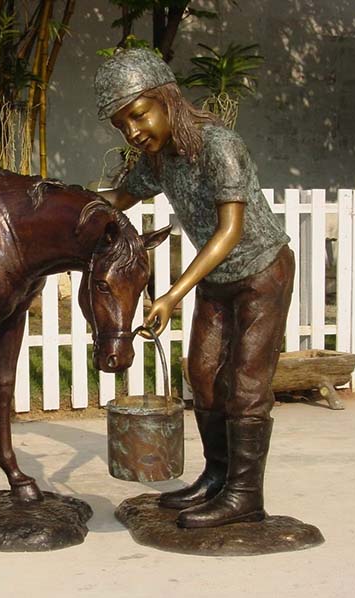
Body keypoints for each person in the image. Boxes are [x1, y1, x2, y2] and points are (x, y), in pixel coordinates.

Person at [94, 48, 294, 529]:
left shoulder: (219, 145)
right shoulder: (157, 159)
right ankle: (217, 477)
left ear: (166, 99)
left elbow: (229, 232)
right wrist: (58, 199)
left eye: (138, 115)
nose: (133, 132)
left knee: (245, 384)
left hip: (261, 272)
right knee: (202, 373)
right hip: (216, 278)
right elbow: (117, 198)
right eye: (122, 125)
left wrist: (171, 295)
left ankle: (246, 495)